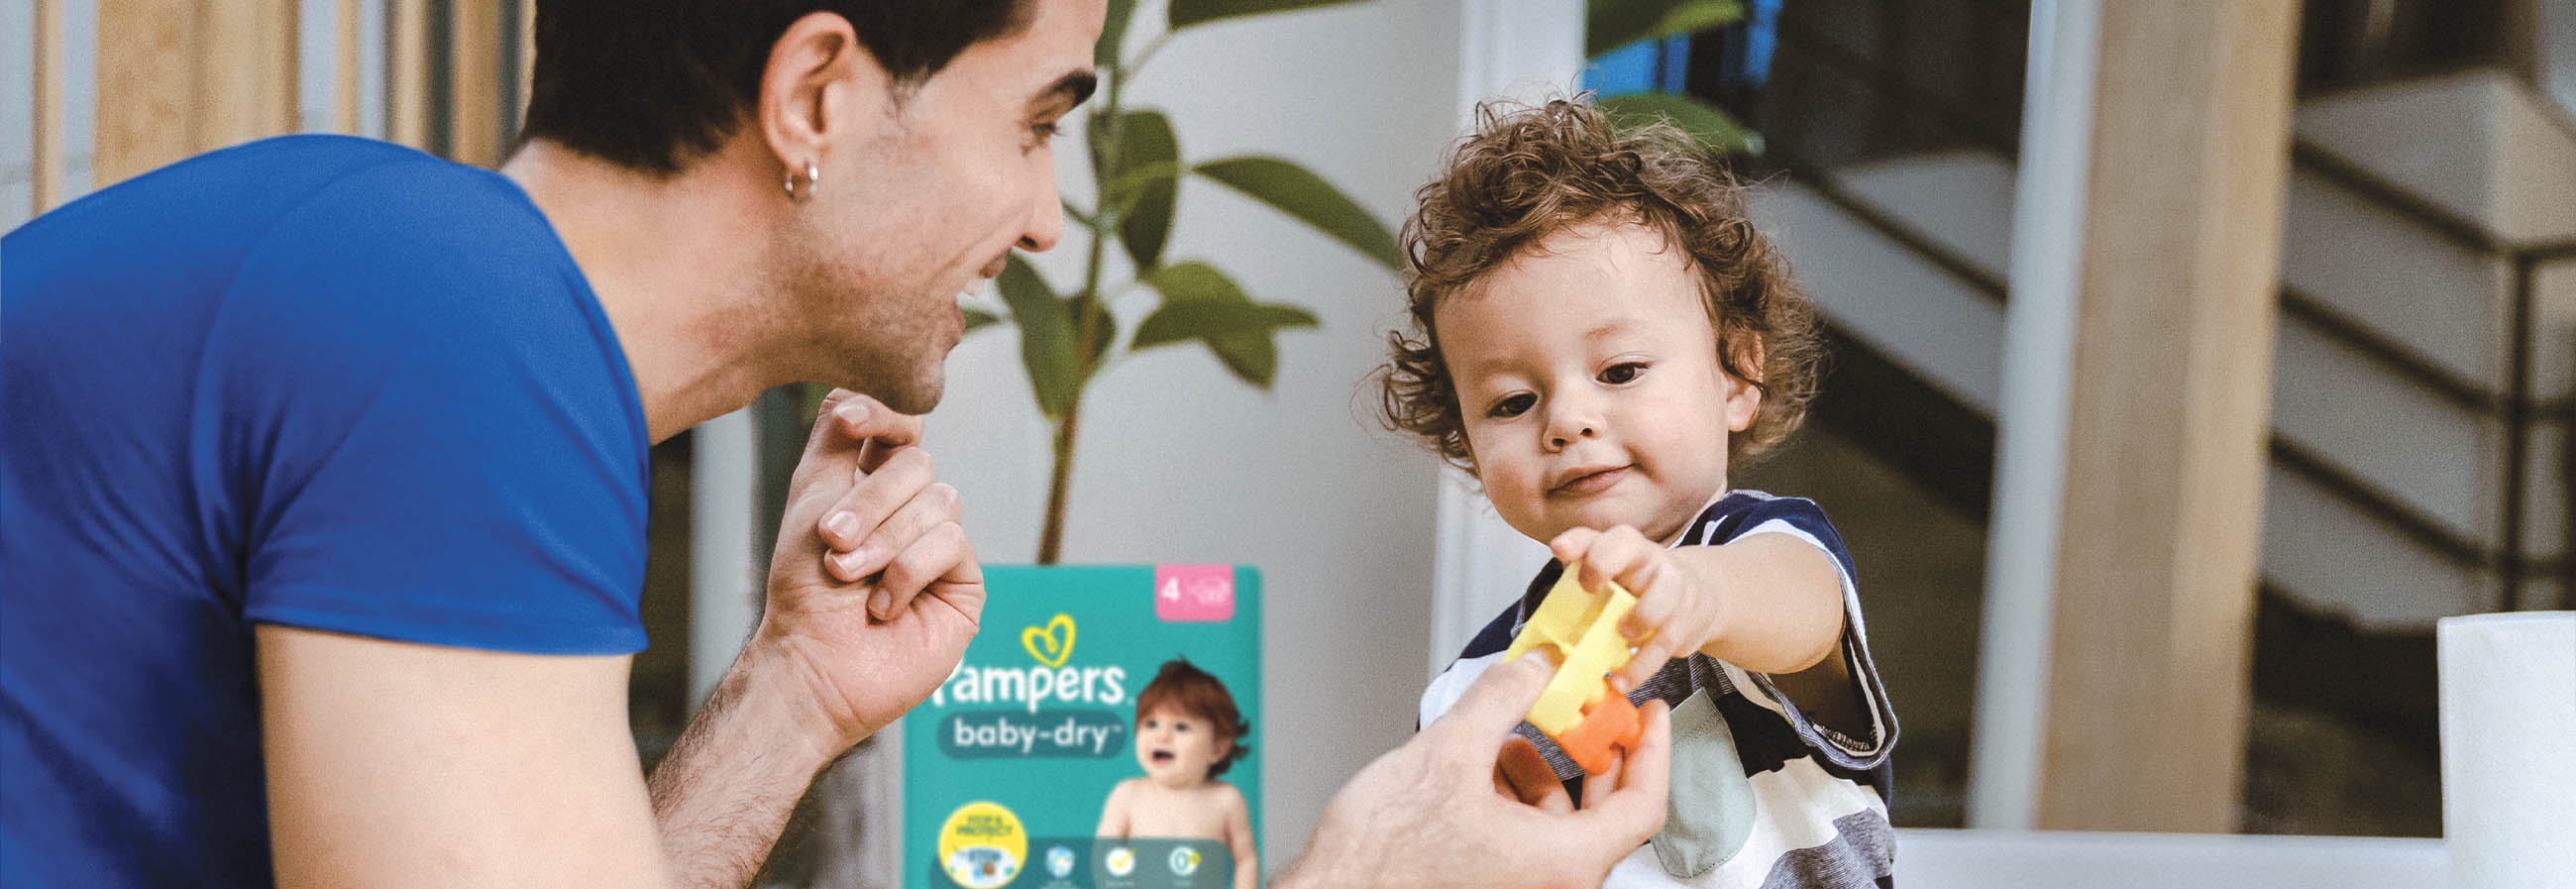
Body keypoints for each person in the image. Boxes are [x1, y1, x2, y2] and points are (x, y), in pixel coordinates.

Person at [0, 4, 1671, 888]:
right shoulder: (445, 322)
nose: (1041, 220)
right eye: (1034, 124)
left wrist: (793, 691)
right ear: (817, 95)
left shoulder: (423, 283)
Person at [1377, 98, 1901, 888]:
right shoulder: (1474, 687)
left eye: (1619, 371)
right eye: (1513, 402)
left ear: (1738, 375)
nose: (1567, 420)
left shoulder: (1758, 552)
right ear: (1468, 442)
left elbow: (1804, 611)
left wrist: (1696, 594)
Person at [1097, 659, 1258, 889]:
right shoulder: (1127, 795)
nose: (1161, 736)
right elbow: (1104, 857)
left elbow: (1245, 860)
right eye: (1151, 724)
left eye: (1181, 727)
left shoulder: (1226, 800)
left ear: (1217, 749)